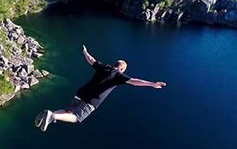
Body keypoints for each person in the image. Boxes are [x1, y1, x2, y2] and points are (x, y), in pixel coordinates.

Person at [34, 45, 166, 132]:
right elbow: (134, 81)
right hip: (91, 101)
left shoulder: (104, 67)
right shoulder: (118, 76)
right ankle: (51, 115)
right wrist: (152, 84)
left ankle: (50, 114)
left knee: (68, 110)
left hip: (80, 94)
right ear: (121, 69)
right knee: (75, 117)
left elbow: (91, 60)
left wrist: (85, 52)